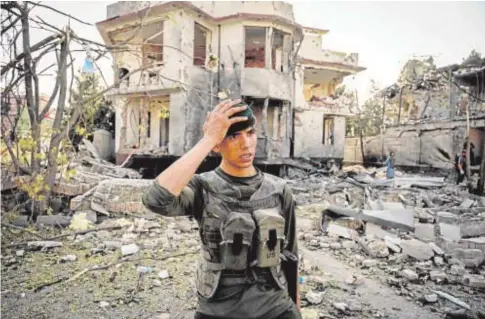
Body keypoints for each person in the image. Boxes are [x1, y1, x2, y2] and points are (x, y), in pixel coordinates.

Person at [142, 99, 301, 319]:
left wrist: (296, 309)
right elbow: (156, 199)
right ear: (217, 144)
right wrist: (208, 139)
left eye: (250, 133)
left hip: (275, 309)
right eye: (233, 136)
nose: (246, 144)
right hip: (217, 311)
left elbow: (291, 256)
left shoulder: (279, 190)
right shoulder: (202, 188)